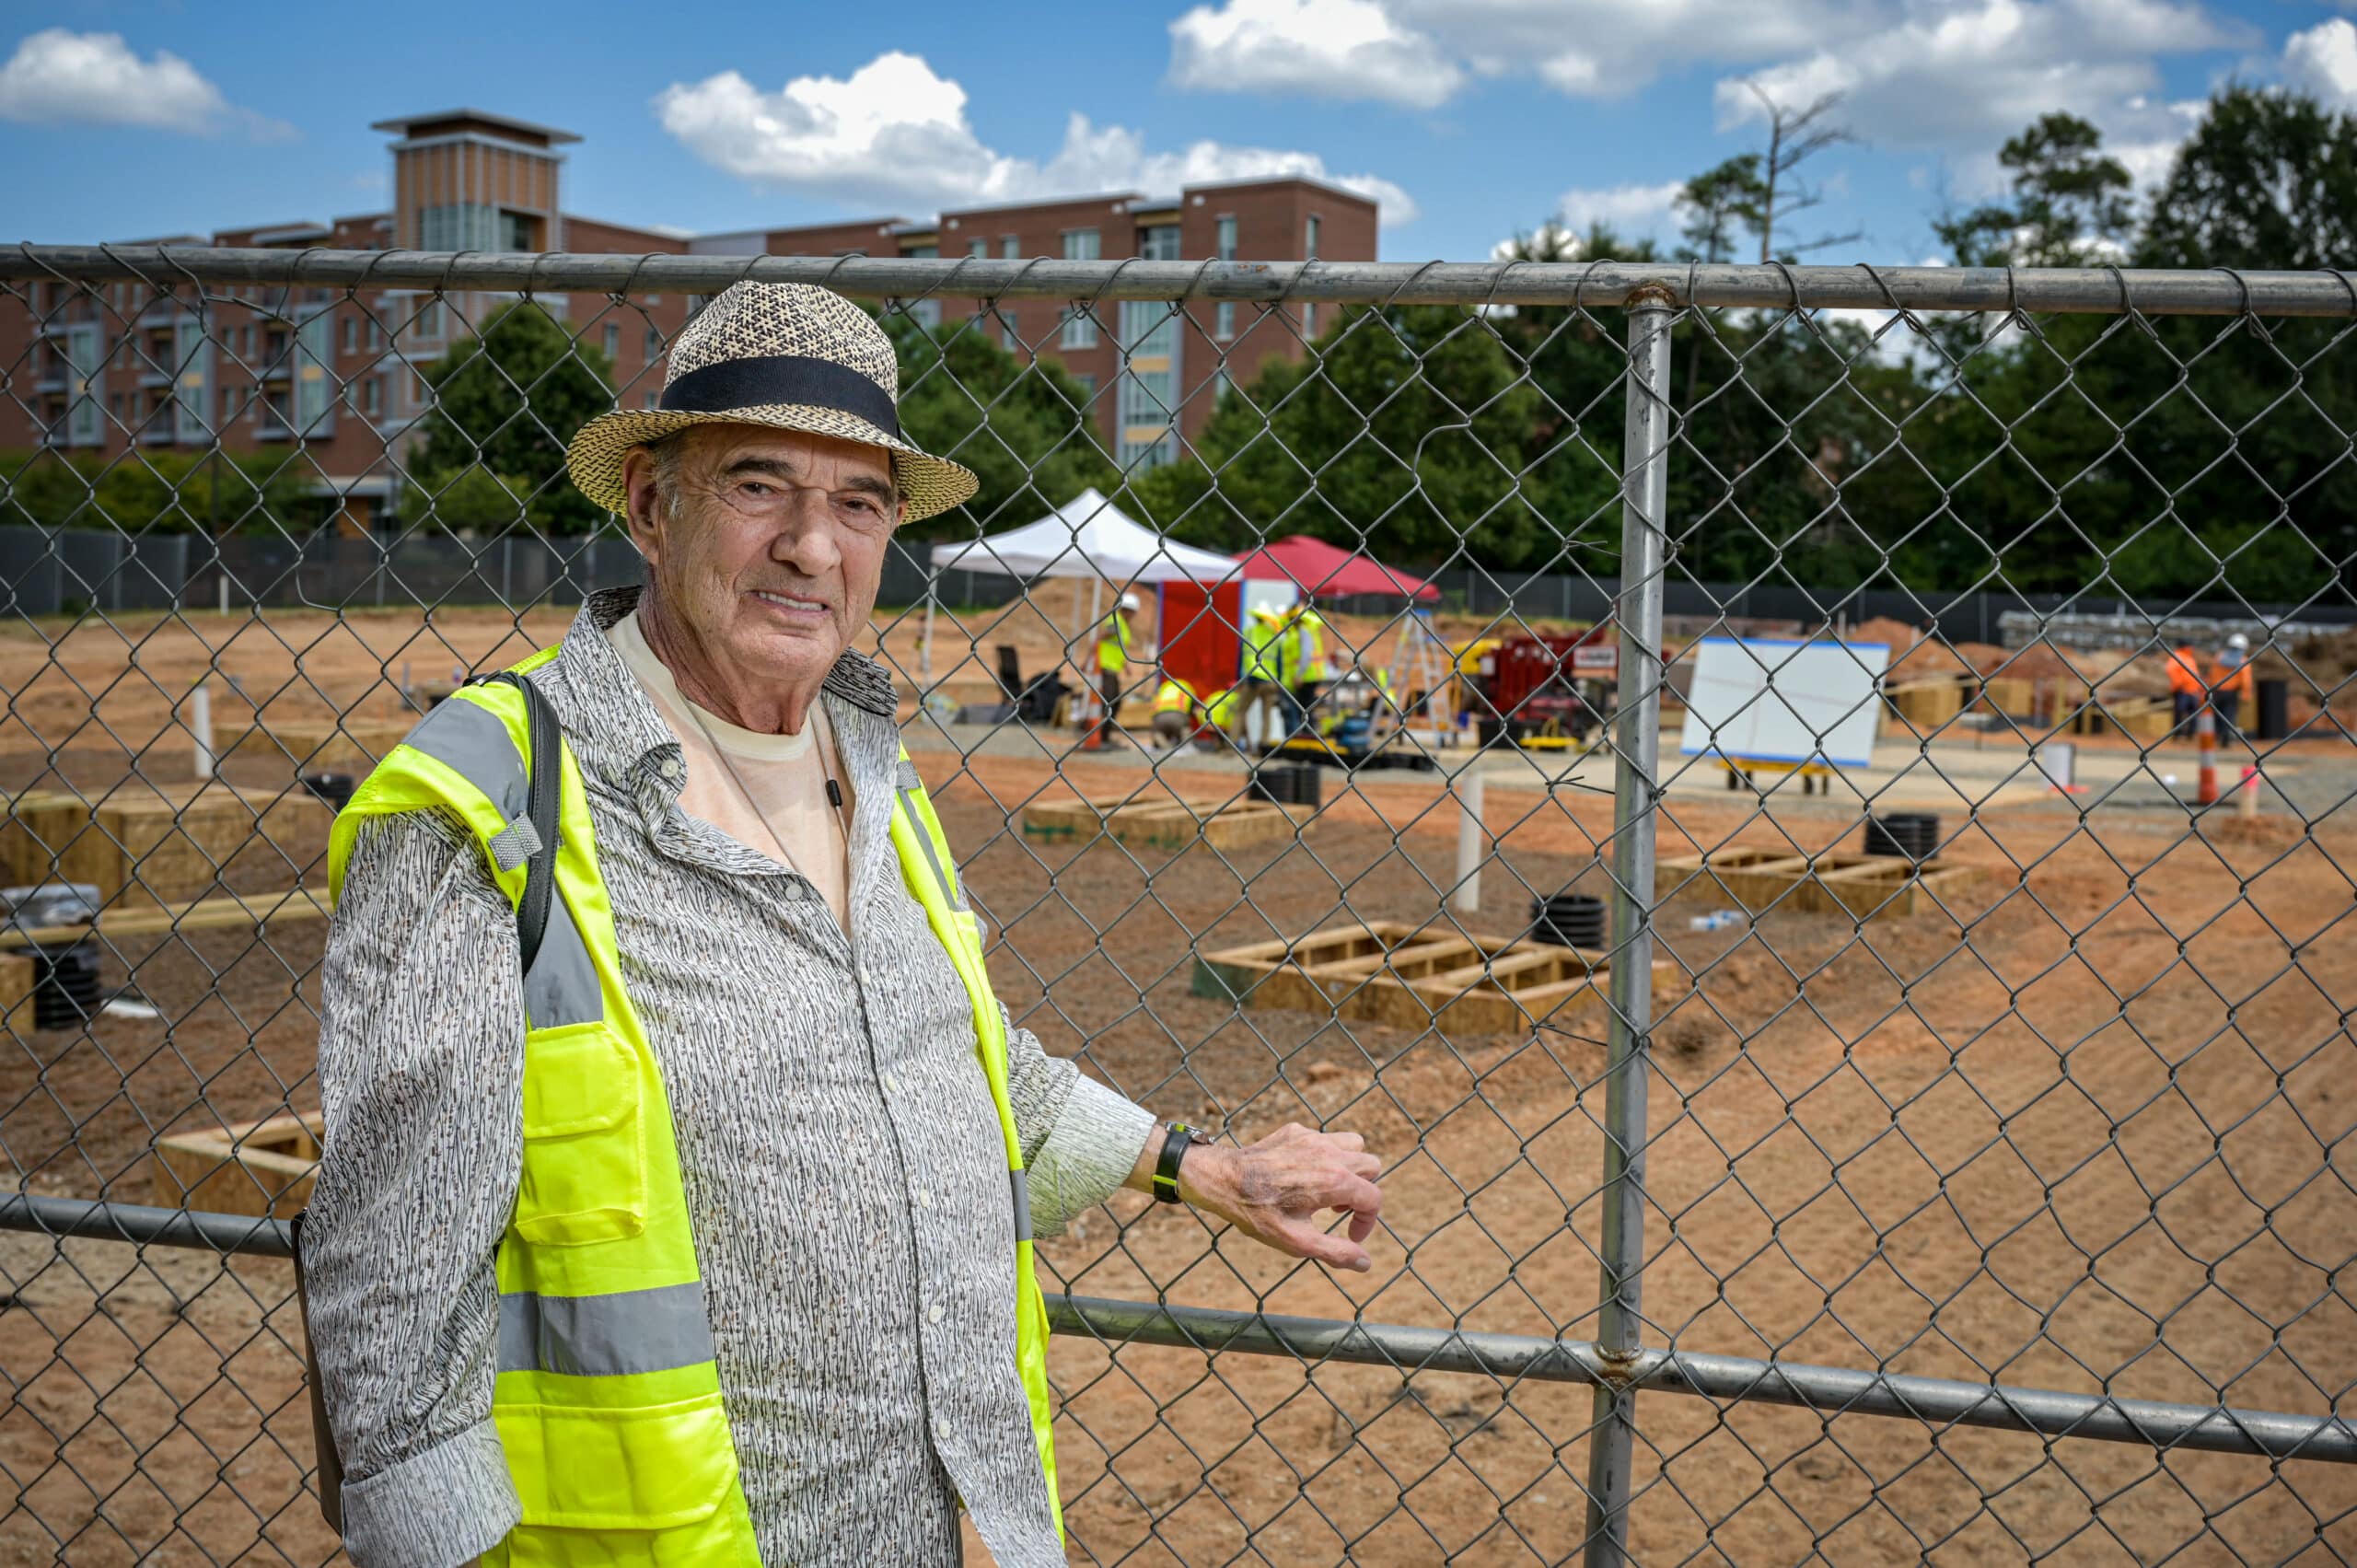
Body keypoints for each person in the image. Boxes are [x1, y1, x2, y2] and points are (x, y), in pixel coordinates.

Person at [303, 282, 1383, 1568]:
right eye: (760, 486)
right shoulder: (491, 803)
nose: (814, 546)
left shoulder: (867, 757)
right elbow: (392, 1290)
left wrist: (1200, 1160)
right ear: (653, 504)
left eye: (858, 503)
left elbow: (951, 1056)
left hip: (957, 1517)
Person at [1093, 591, 1144, 743]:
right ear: (1127, 610)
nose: (1133, 616)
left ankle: (1104, 736)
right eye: (1133, 613)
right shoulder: (1116, 623)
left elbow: (1117, 648)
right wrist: (1089, 660)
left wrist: (1125, 665)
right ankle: (1101, 736)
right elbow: (1099, 639)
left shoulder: (1122, 624)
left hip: (1112, 667)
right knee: (1110, 701)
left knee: (1114, 701)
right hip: (1105, 667)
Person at [2212, 632, 2254, 737]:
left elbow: (2212, 674)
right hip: (2231, 693)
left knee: (2218, 714)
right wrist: (2246, 695)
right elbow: (2246, 680)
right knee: (2229, 714)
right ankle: (2225, 738)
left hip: (2217, 691)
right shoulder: (2243, 661)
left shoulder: (2219, 657)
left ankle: (2218, 735)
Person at [1151, 672, 1200, 749]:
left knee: (1159, 732)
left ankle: (1164, 747)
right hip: (1178, 715)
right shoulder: (1186, 686)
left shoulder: (1165, 686)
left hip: (1159, 717)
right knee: (1184, 728)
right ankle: (1187, 746)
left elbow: (1154, 700)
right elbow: (1193, 707)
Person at [2165, 641, 2205, 732]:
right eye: (2189, 646)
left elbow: (2195, 674)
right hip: (2182, 690)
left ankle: (2190, 734)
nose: (2192, 648)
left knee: (2193, 713)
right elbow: (2171, 670)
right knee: (2180, 712)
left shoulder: (2189, 658)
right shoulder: (2177, 656)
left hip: (2193, 690)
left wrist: (2199, 687)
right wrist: (2179, 684)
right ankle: (2178, 733)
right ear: (2184, 647)